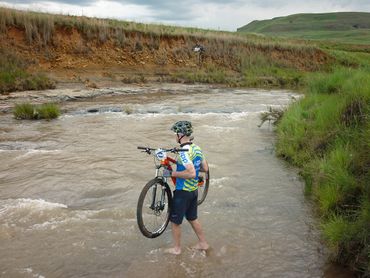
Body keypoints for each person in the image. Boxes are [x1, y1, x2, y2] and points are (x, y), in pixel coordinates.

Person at [163, 120, 209, 255]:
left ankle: (176, 249)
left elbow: (191, 173)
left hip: (183, 191)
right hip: (194, 191)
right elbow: (205, 168)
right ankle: (203, 243)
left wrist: (172, 173)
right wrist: (192, 165)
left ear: (181, 135)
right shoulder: (196, 148)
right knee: (192, 218)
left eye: (176, 133)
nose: (175, 136)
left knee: (175, 222)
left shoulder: (184, 152)